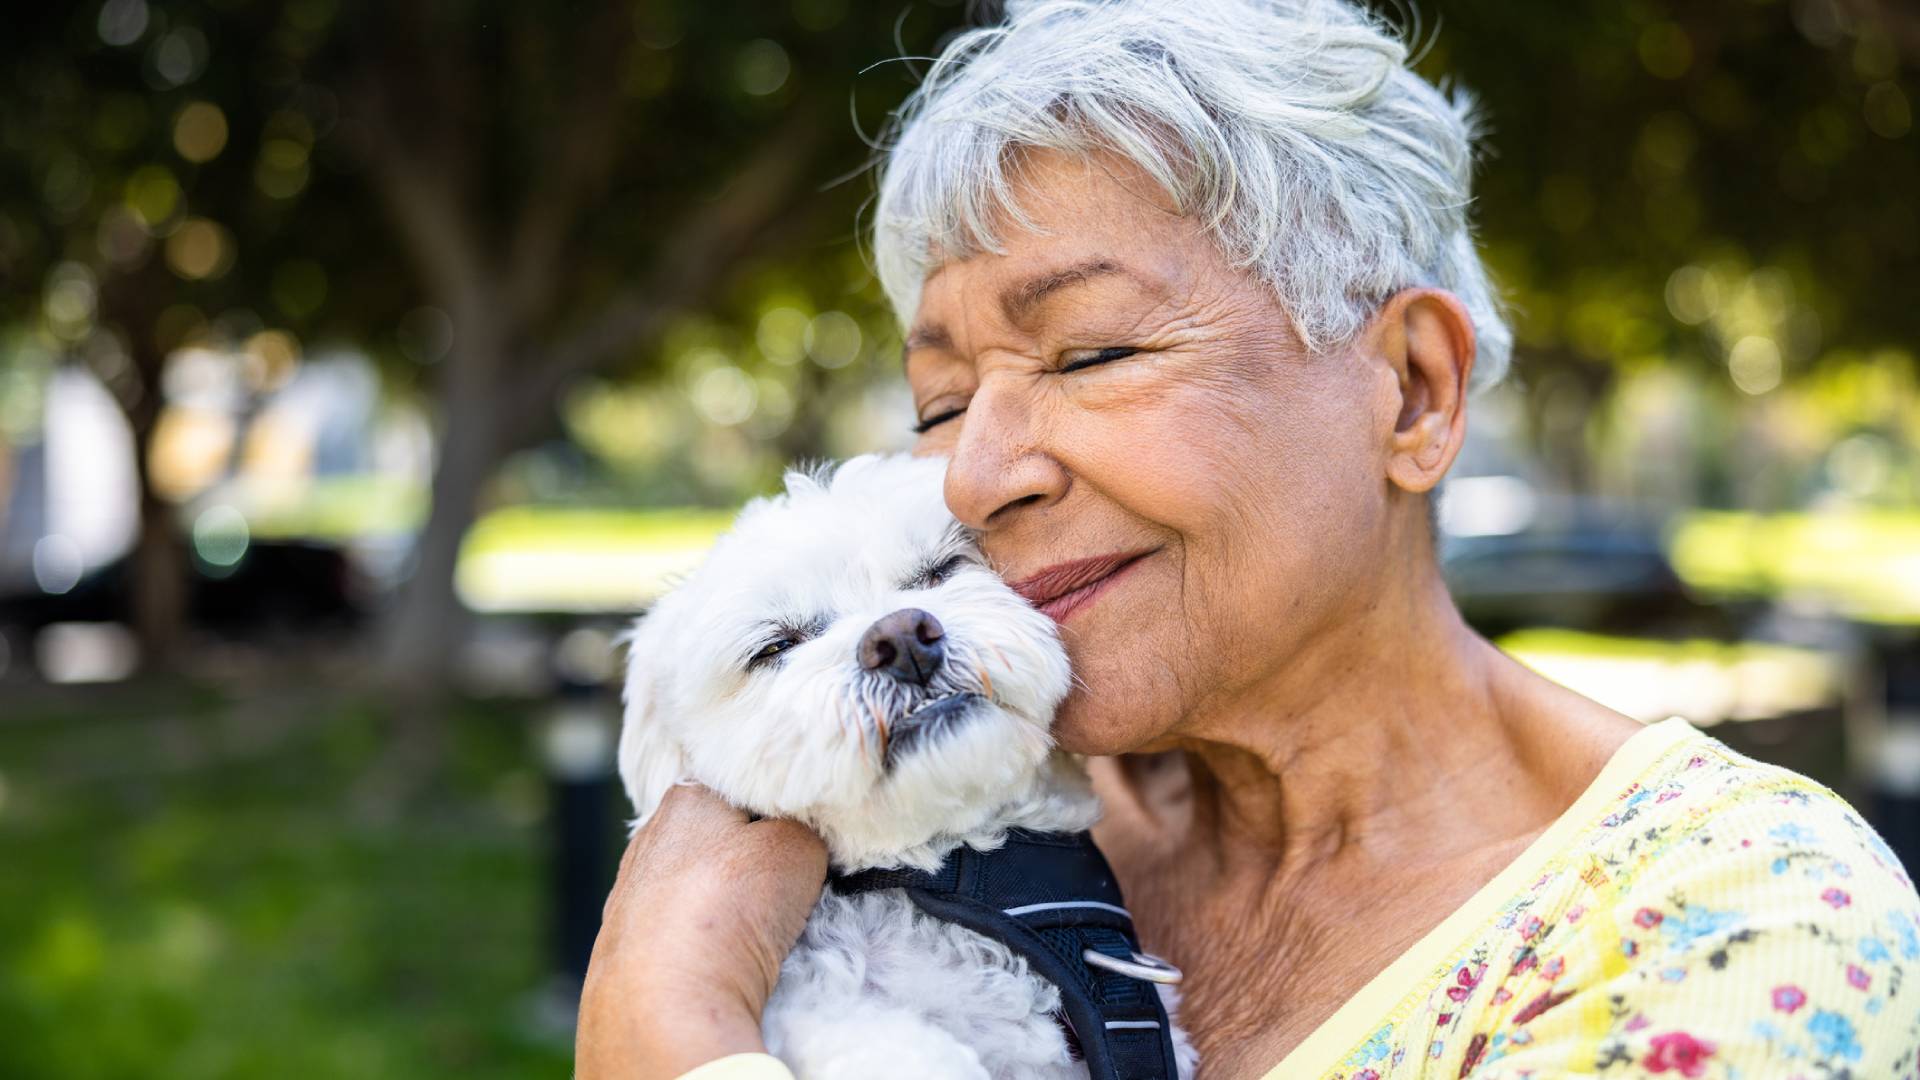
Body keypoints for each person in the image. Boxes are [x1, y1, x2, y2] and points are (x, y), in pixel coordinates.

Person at [576, 1, 1920, 1076]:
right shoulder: (951, 812)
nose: (976, 472)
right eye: (941, 402)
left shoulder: (1728, 929)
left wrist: (666, 1029)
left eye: (1090, 350)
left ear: (1412, 391)